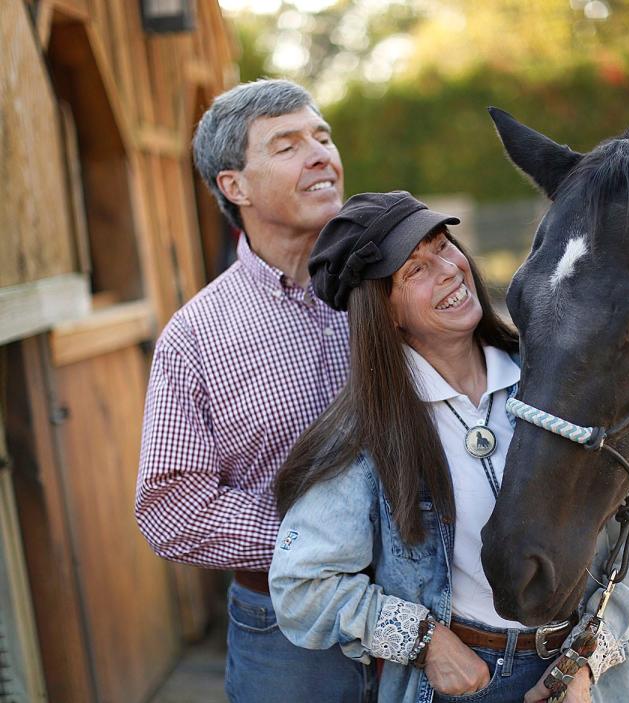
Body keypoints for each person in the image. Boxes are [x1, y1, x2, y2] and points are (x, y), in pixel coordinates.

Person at [269, 190, 629, 702]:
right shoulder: (365, 434)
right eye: (413, 270)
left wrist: (586, 661)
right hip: (458, 682)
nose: (447, 269)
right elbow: (301, 585)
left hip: (581, 681)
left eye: (442, 245)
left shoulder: (565, 378)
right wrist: (427, 643)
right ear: (385, 311)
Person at [135, 79, 369, 702]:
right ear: (234, 186)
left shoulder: (391, 286)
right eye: (287, 145)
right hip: (286, 634)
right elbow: (170, 507)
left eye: (322, 136)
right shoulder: (196, 335)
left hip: (436, 607)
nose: (321, 154)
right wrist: (324, 540)